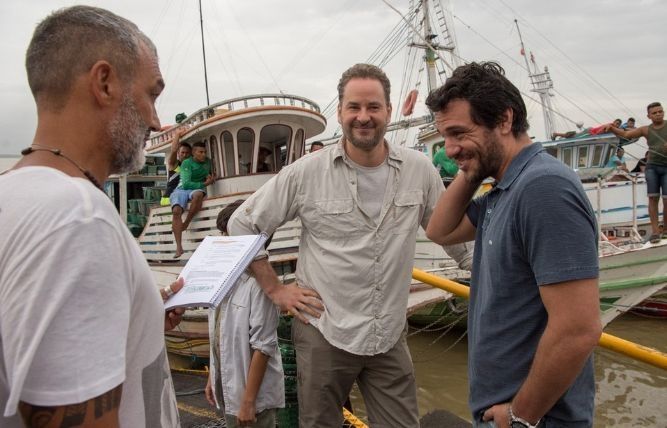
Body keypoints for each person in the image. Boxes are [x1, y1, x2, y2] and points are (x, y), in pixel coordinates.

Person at [228, 63, 462, 427]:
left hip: (387, 333)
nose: (363, 117)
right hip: (325, 330)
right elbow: (242, 222)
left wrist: (484, 274)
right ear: (339, 112)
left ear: (388, 109)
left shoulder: (420, 170)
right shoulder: (307, 172)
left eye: (373, 107)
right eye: (354, 107)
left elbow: (448, 234)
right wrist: (275, 289)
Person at [0, 6, 185, 427]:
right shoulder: (79, 220)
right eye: (151, 94)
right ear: (105, 83)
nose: (155, 122)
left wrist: (138, 320)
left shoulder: (14, 194)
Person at [424, 62, 602, 428]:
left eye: (458, 132)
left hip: (533, 420)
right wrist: (472, 165)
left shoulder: (543, 188)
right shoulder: (503, 189)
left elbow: (579, 328)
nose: (450, 149)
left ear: (504, 120)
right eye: (445, 137)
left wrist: (522, 414)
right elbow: (439, 231)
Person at [205, 200, 284, 428]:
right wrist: (213, 375)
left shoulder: (260, 285)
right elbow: (218, 332)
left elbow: (263, 346)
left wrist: (248, 402)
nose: (222, 239)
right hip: (230, 391)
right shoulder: (223, 278)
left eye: (227, 234)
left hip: (253, 399)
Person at [608, 102, 667, 243]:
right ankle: (655, 232)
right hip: (652, 167)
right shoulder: (646, 130)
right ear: (649, 116)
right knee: (653, 198)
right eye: (655, 113)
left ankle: (665, 229)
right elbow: (626, 134)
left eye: (660, 111)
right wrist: (612, 128)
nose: (658, 114)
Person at [170, 141, 214, 257]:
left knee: (198, 195)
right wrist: (205, 183)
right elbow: (185, 184)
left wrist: (211, 178)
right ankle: (179, 247)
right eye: (200, 152)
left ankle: (186, 223)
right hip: (181, 189)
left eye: (204, 152)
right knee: (176, 211)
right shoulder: (186, 163)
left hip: (196, 190)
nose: (203, 154)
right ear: (194, 153)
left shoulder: (208, 162)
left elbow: (211, 175)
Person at [161, 131, 191, 206]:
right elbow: (173, 150)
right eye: (182, 152)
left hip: (180, 199)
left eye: (187, 153)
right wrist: (177, 134)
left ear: (190, 154)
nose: (185, 155)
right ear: (178, 153)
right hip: (168, 199)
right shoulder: (174, 164)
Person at [551, 118, 621, 140]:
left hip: (590, 131)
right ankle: (556, 134)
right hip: (590, 132)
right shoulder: (610, 125)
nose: (617, 125)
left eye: (618, 124)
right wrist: (595, 136)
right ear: (614, 122)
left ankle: (559, 135)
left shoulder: (613, 128)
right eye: (616, 123)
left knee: (575, 135)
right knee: (575, 137)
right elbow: (599, 131)